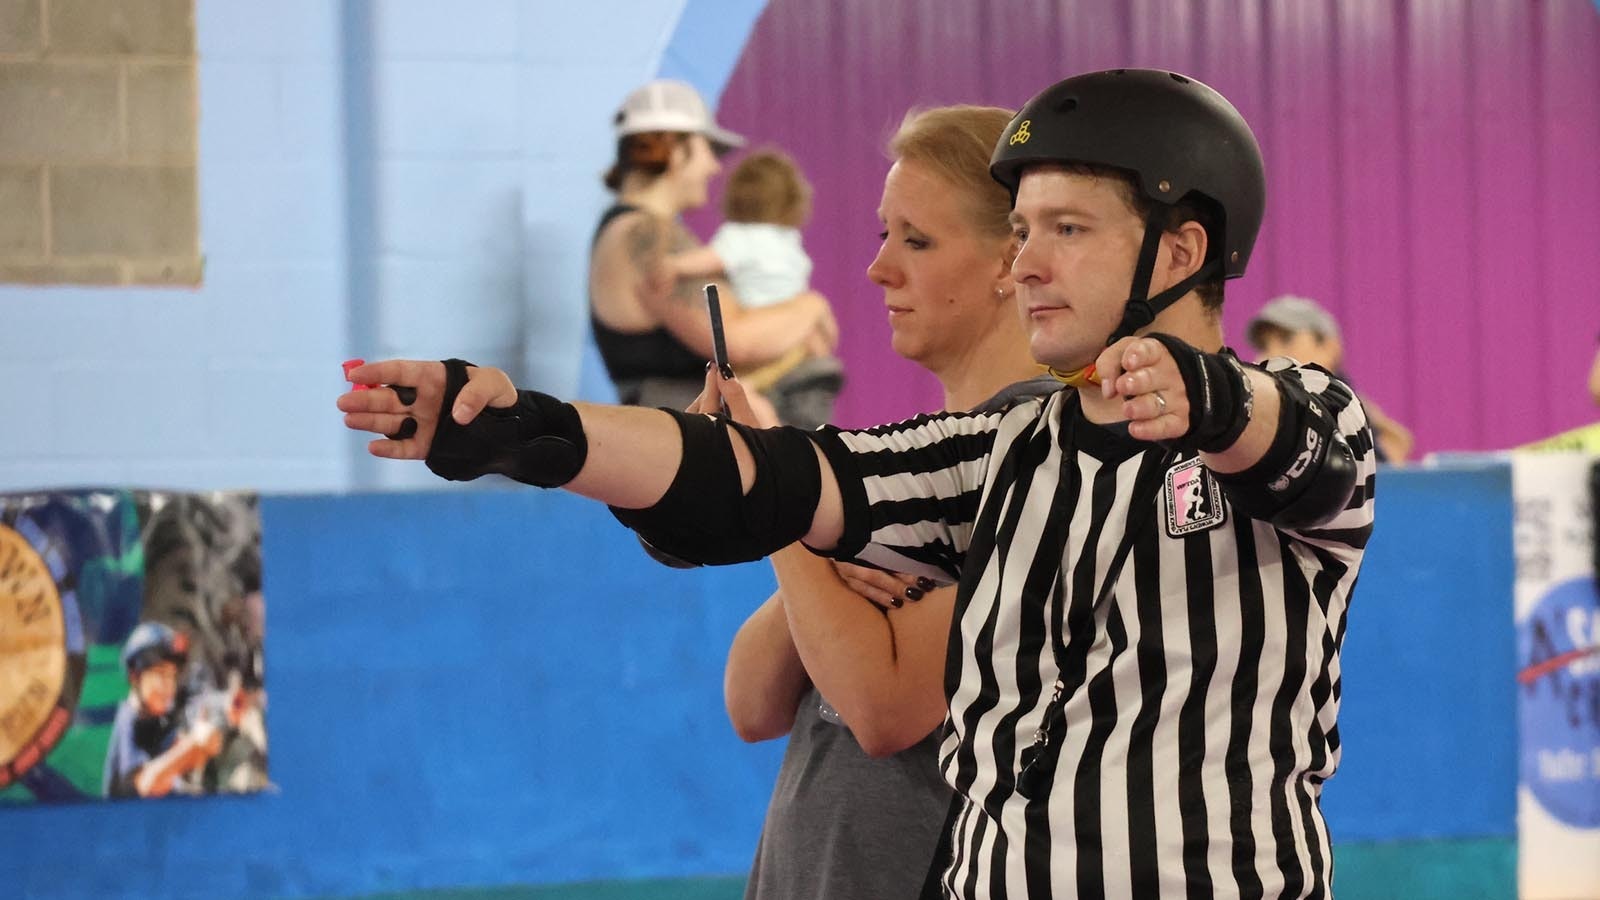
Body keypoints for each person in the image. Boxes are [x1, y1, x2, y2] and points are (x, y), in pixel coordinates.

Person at [340, 68, 1377, 898]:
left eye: (1067, 230)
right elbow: (768, 476)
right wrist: (525, 430)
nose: (1027, 267)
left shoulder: (1305, 409)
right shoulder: (1003, 453)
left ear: (1180, 249)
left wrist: (1205, 394)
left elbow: (1303, 450)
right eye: (1022, 232)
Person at [726, 106, 1054, 900]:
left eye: (916, 240)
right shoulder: (903, 472)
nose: (878, 269)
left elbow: (883, 707)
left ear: (1011, 260)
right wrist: (829, 556)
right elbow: (753, 702)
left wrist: (782, 506)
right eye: (884, 235)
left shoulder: (1039, 461)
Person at [589, 80, 837, 411]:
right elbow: (737, 342)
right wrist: (811, 306)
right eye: (709, 148)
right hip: (679, 443)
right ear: (675, 150)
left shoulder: (635, 231)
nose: (715, 166)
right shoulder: (647, 234)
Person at [664, 148, 843, 429]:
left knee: (751, 399)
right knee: (807, 429)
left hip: (768, 344)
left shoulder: (738, 236)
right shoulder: (789, 238)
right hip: (803, 344)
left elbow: (711, 259)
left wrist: (673, 266)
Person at [1247, 294, 1415, 462]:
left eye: (1287, 340)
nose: (1271, 354)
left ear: (1328, 345)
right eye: (1264, 345)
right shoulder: (1254, 410)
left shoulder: (1348, 408)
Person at [102, 622, 224, 798]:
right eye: (160, 673)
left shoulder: (159, 722)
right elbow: (147, 783)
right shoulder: (128, 718)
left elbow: (183, 755)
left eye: (172, 675)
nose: (168, 685)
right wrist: (194, 744)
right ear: (135, 676)